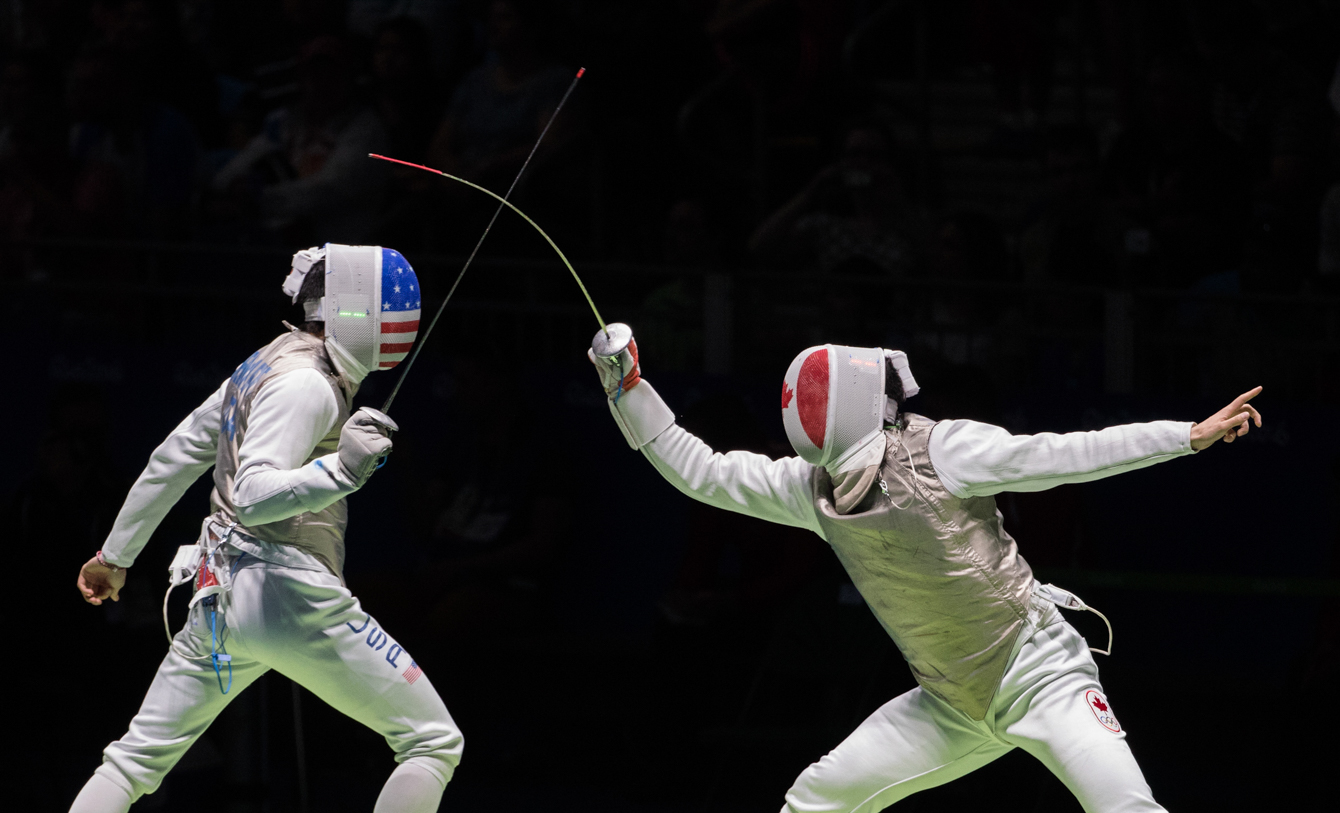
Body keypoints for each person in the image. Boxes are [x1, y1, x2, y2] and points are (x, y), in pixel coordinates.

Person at [587, 324, 1263, 812]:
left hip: (1042, 676)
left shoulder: (946, 450)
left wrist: (1186, 436)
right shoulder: (813, 489)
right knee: (817, 799)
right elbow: (703, 472)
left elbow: (1064, 453)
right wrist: (629, 390)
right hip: (949, 702)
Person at [68, 245, 462, 813]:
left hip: (221, 600)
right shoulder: (307, 384)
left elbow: (172, 458)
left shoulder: (265, 363)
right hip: (288, 592)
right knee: (433, 741)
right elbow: (251, 497)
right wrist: (343, 470)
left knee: (132, 764)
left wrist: (115, 556)